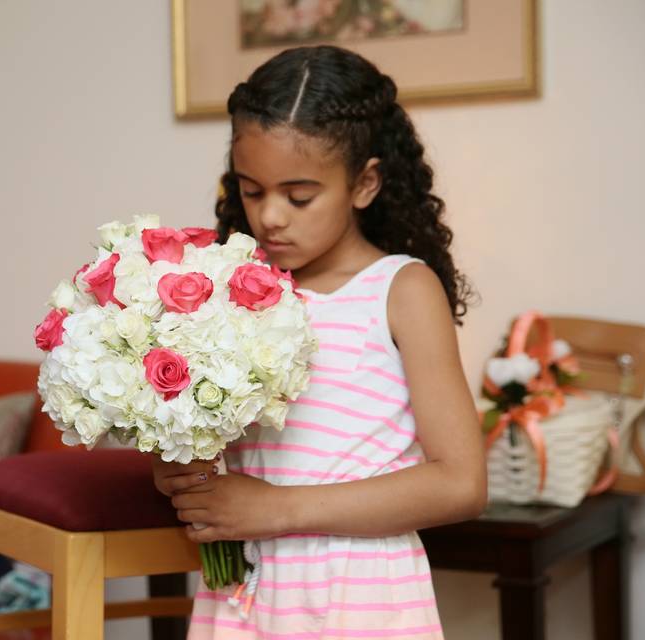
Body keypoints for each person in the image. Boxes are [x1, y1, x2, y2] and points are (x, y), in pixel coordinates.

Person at [151, 44, 486, 639]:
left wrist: (278, 508)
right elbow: (224, 443)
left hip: (356, 594)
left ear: (365, 183)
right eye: (251, 191)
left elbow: (461, 483)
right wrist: (184, 473)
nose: (271, 217)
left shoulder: (401, 289)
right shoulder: (229, 287)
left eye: (298, 196)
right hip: (246, 591)